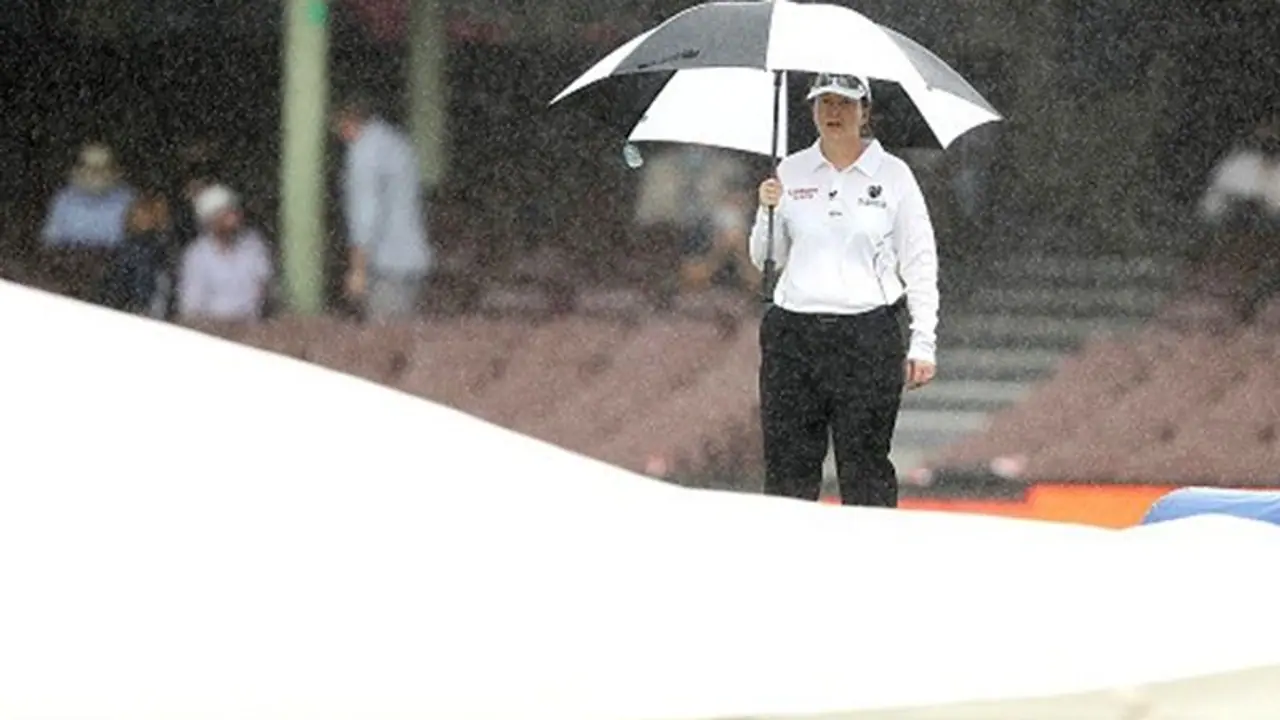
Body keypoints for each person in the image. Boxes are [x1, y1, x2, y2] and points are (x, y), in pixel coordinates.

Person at [749, 73, 939, 507]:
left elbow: (919, 259)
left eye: (845, 103)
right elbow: (765, 255)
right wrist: (766, 209)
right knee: (787, 470)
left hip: (866, 336)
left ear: (865, 111)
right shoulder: (790, 169)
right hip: (793, 335)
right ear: (812, 109)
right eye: (825, 102)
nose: (834, 112)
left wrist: (923, 340)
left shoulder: (893, 175)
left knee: (865, 467)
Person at [332, 95, 434, 321]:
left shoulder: (363, 153)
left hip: (385, 264)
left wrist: (357, 270)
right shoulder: (397, 141)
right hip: (413, 257)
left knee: (383, 339)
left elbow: (365, 216)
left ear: (346, 120)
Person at [177, 184, 274, 324]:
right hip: (214, 330)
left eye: (234, 211)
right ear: (210, 220)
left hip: (252, 328)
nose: (233, 218)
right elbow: (191, 308)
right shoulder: (196, 255)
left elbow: (264, 289)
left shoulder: (254, 245)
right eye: (225, 213)